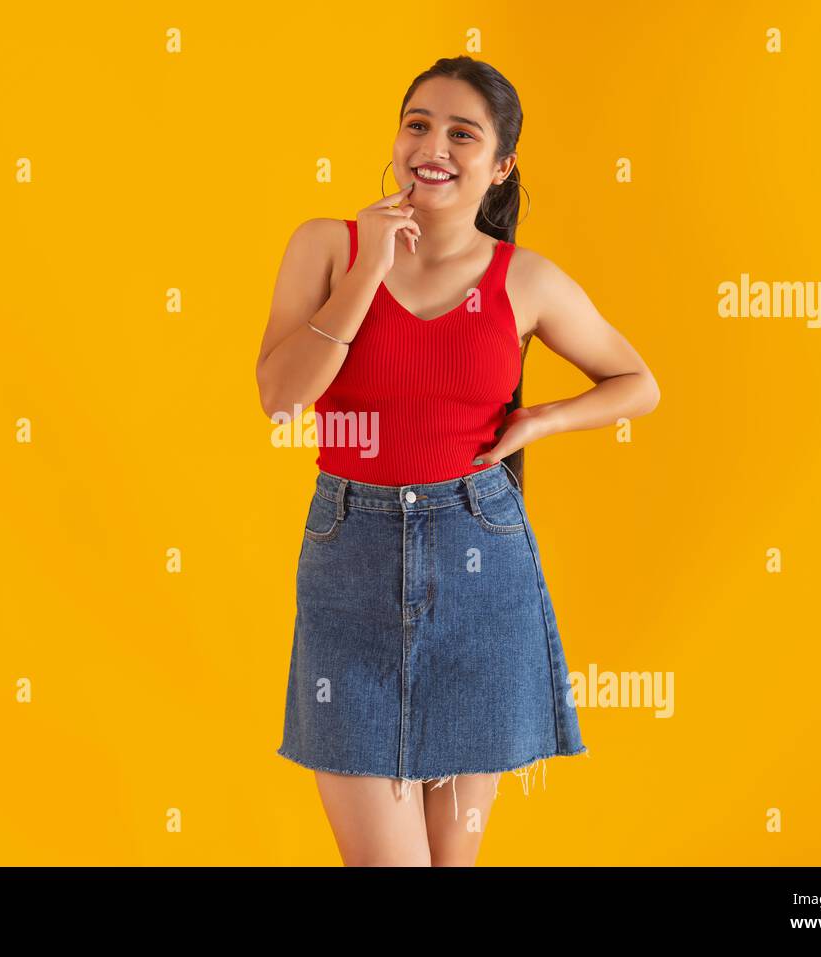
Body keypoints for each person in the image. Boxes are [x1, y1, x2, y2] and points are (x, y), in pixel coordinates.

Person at [255, 56, 660, 866]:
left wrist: (541, 418)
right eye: (418, 124)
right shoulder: (326, 247)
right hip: (351, 564)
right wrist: (371, 266)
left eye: (461, 133)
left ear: (500, 164)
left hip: (481, 572)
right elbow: (281, 398)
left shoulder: (527, 280)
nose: (432, 146)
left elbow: (637, 383)